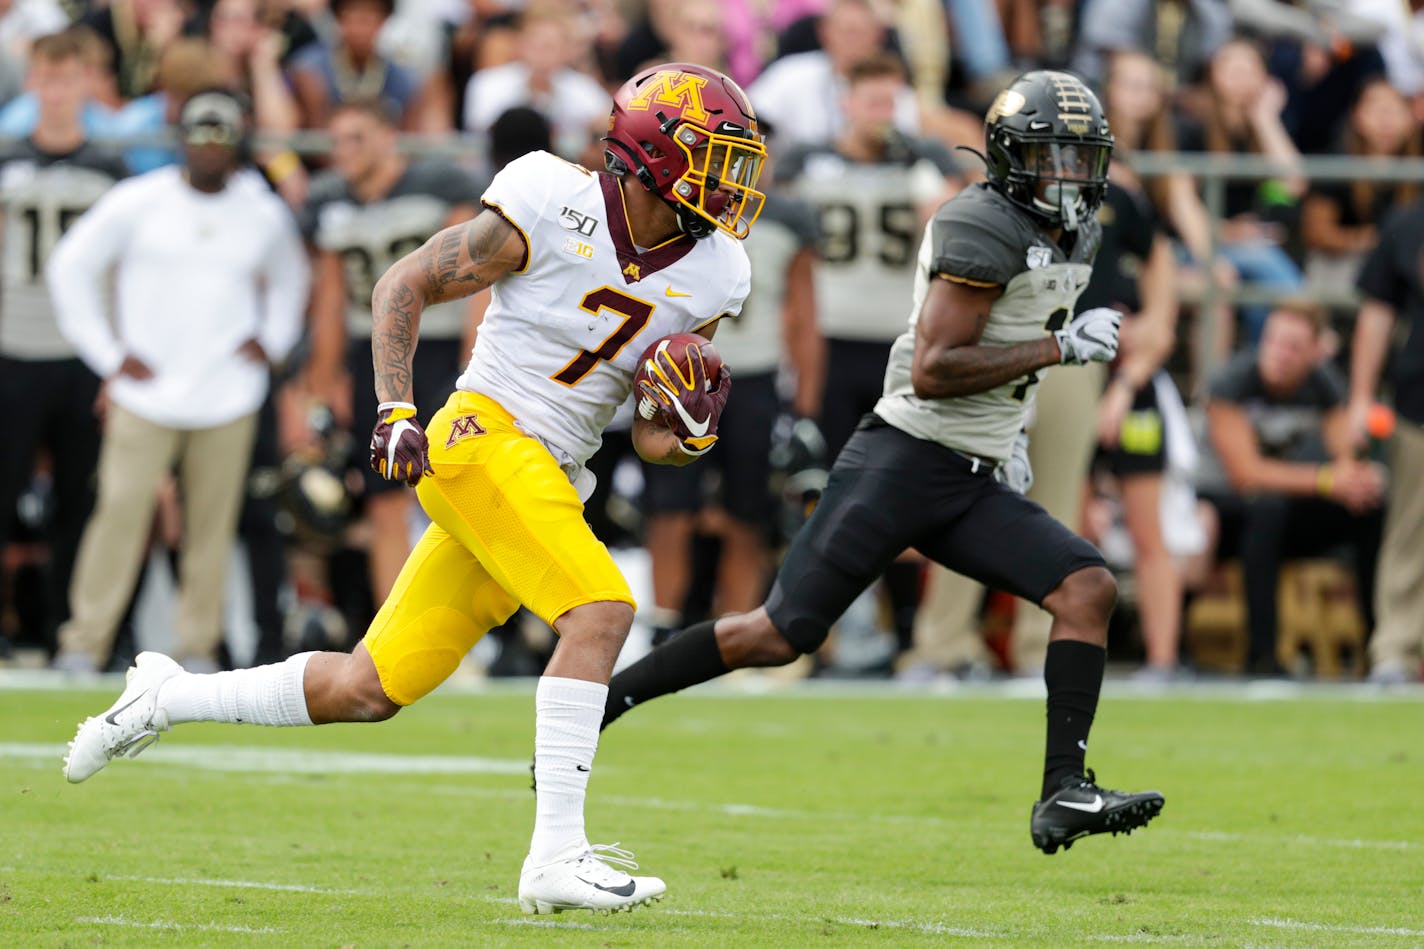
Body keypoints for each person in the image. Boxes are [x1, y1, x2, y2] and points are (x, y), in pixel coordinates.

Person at [63, 62, 768, 915]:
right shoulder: (549, 195)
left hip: (552, 476)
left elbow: (657, 441)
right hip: (482, 441)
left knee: (367, 687)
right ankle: (556, 856)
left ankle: (164, 696)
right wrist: (395, 405)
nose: (731, 181)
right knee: (603, 610)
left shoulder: (719, 270)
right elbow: (406, 282)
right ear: (655, 149)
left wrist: (684, 429)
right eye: (715, 156)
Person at [599, 70, 1165, 855]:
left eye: (1081, 156)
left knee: (1087, 586)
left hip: (971, 471)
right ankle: (605, 698)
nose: (1069, 176)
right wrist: (1061, 348)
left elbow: (1014, 341)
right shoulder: (982, 224)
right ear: (1010, 158)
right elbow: (936, 366)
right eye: (1052, 157)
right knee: (779, 632)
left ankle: (1064, 789)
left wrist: (1013, 434)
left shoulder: (1082, 230)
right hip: (903, 458)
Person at [46, 88, 309, 674]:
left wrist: (271, 342)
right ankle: (83, 643)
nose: (209, 147)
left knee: (211, 528)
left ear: (236, 140)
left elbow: (293, 279)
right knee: (118, 513)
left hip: (229, 394)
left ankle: (198, 645)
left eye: (221, 135)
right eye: (199, 134)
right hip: (145, 394)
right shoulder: (138, 201)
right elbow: (71, 267)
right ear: (181, 139)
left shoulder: (261, 210)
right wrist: (108, 355)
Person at [778, 51, 960, 672]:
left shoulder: (920, 165)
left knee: (902, 487)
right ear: (846, 101)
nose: (882, 115)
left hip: (895, 341)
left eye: (891, 102)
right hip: (828, 341)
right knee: (825, 489)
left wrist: (933, 168)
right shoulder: (808, 163)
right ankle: (821, 633)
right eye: (871, 101)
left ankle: (906, 635)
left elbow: (953, 220)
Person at [301, 96, 482, 621]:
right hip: (374, 358)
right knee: (383, 498)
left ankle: (462, 627)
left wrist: (474, 359)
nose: (343, 152)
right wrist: (325, 379)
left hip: (440, 348)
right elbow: (331, 301)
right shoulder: (333, 205)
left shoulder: (440, 188)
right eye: (336, 141)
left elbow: (476, 278)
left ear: (388, 136)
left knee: (455, 492)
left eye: (356, 138)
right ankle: (394, 630)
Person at [0, 29, 129, 660]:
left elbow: (123, 274)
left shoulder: (109, 169)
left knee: (83, 500)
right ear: (33, 83)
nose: (56, 92)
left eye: (68, 78)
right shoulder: (7, 159)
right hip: (15, 344)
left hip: (84, 354)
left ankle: (69, 633)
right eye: (46, 79)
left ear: (87, 84)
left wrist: (116, 358)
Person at [1201, 302, 1385, 676]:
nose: (1280, 355)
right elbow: (1245, 475)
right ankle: (1263, 656)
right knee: (1267, 509)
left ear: (1316, 352)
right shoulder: (1231, 382)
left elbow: (1343, 459)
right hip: (1222, 512)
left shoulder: (1325, 382)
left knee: (1371, 507)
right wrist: (1325, 480)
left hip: (1285, 511)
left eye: (1293, 347)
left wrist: (1359, 480)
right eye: (1273, 341)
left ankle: (1382, 650)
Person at [1349, 199, 1424, 684]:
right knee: (1411, 531)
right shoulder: (1408, 222)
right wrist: (1360, 396)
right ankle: (1395, 648)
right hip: (1419, 404)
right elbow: (1377, 314)